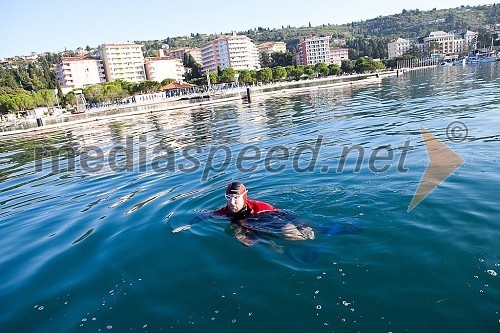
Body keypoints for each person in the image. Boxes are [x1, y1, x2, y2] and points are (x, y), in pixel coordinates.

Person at [172, 181, 315, 245]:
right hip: (248, 225)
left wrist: (301, 225)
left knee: (293, 235)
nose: (232, 202)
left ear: (244, 197)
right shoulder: (225, 211)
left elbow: (284, 214)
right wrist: (188, 225)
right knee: (236, 234)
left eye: (236, 198)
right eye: (229, 198)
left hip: (267, 219)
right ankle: (270, 244)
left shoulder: (260, 206)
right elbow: (205, 215)